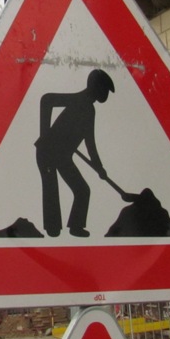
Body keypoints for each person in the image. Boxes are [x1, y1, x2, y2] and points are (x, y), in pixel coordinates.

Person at [34, 69, 114, 238]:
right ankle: (53, 228)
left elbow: (90, 143)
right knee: (51, 187)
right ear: (96, 87)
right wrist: (45, 136)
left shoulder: (90, 110)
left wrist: (99, 168)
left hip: (63, 156)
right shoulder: (79, 99)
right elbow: (46, 100)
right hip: (47, 152)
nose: (106, 94)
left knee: (83, 190)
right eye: (104, 89)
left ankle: (76, 227)